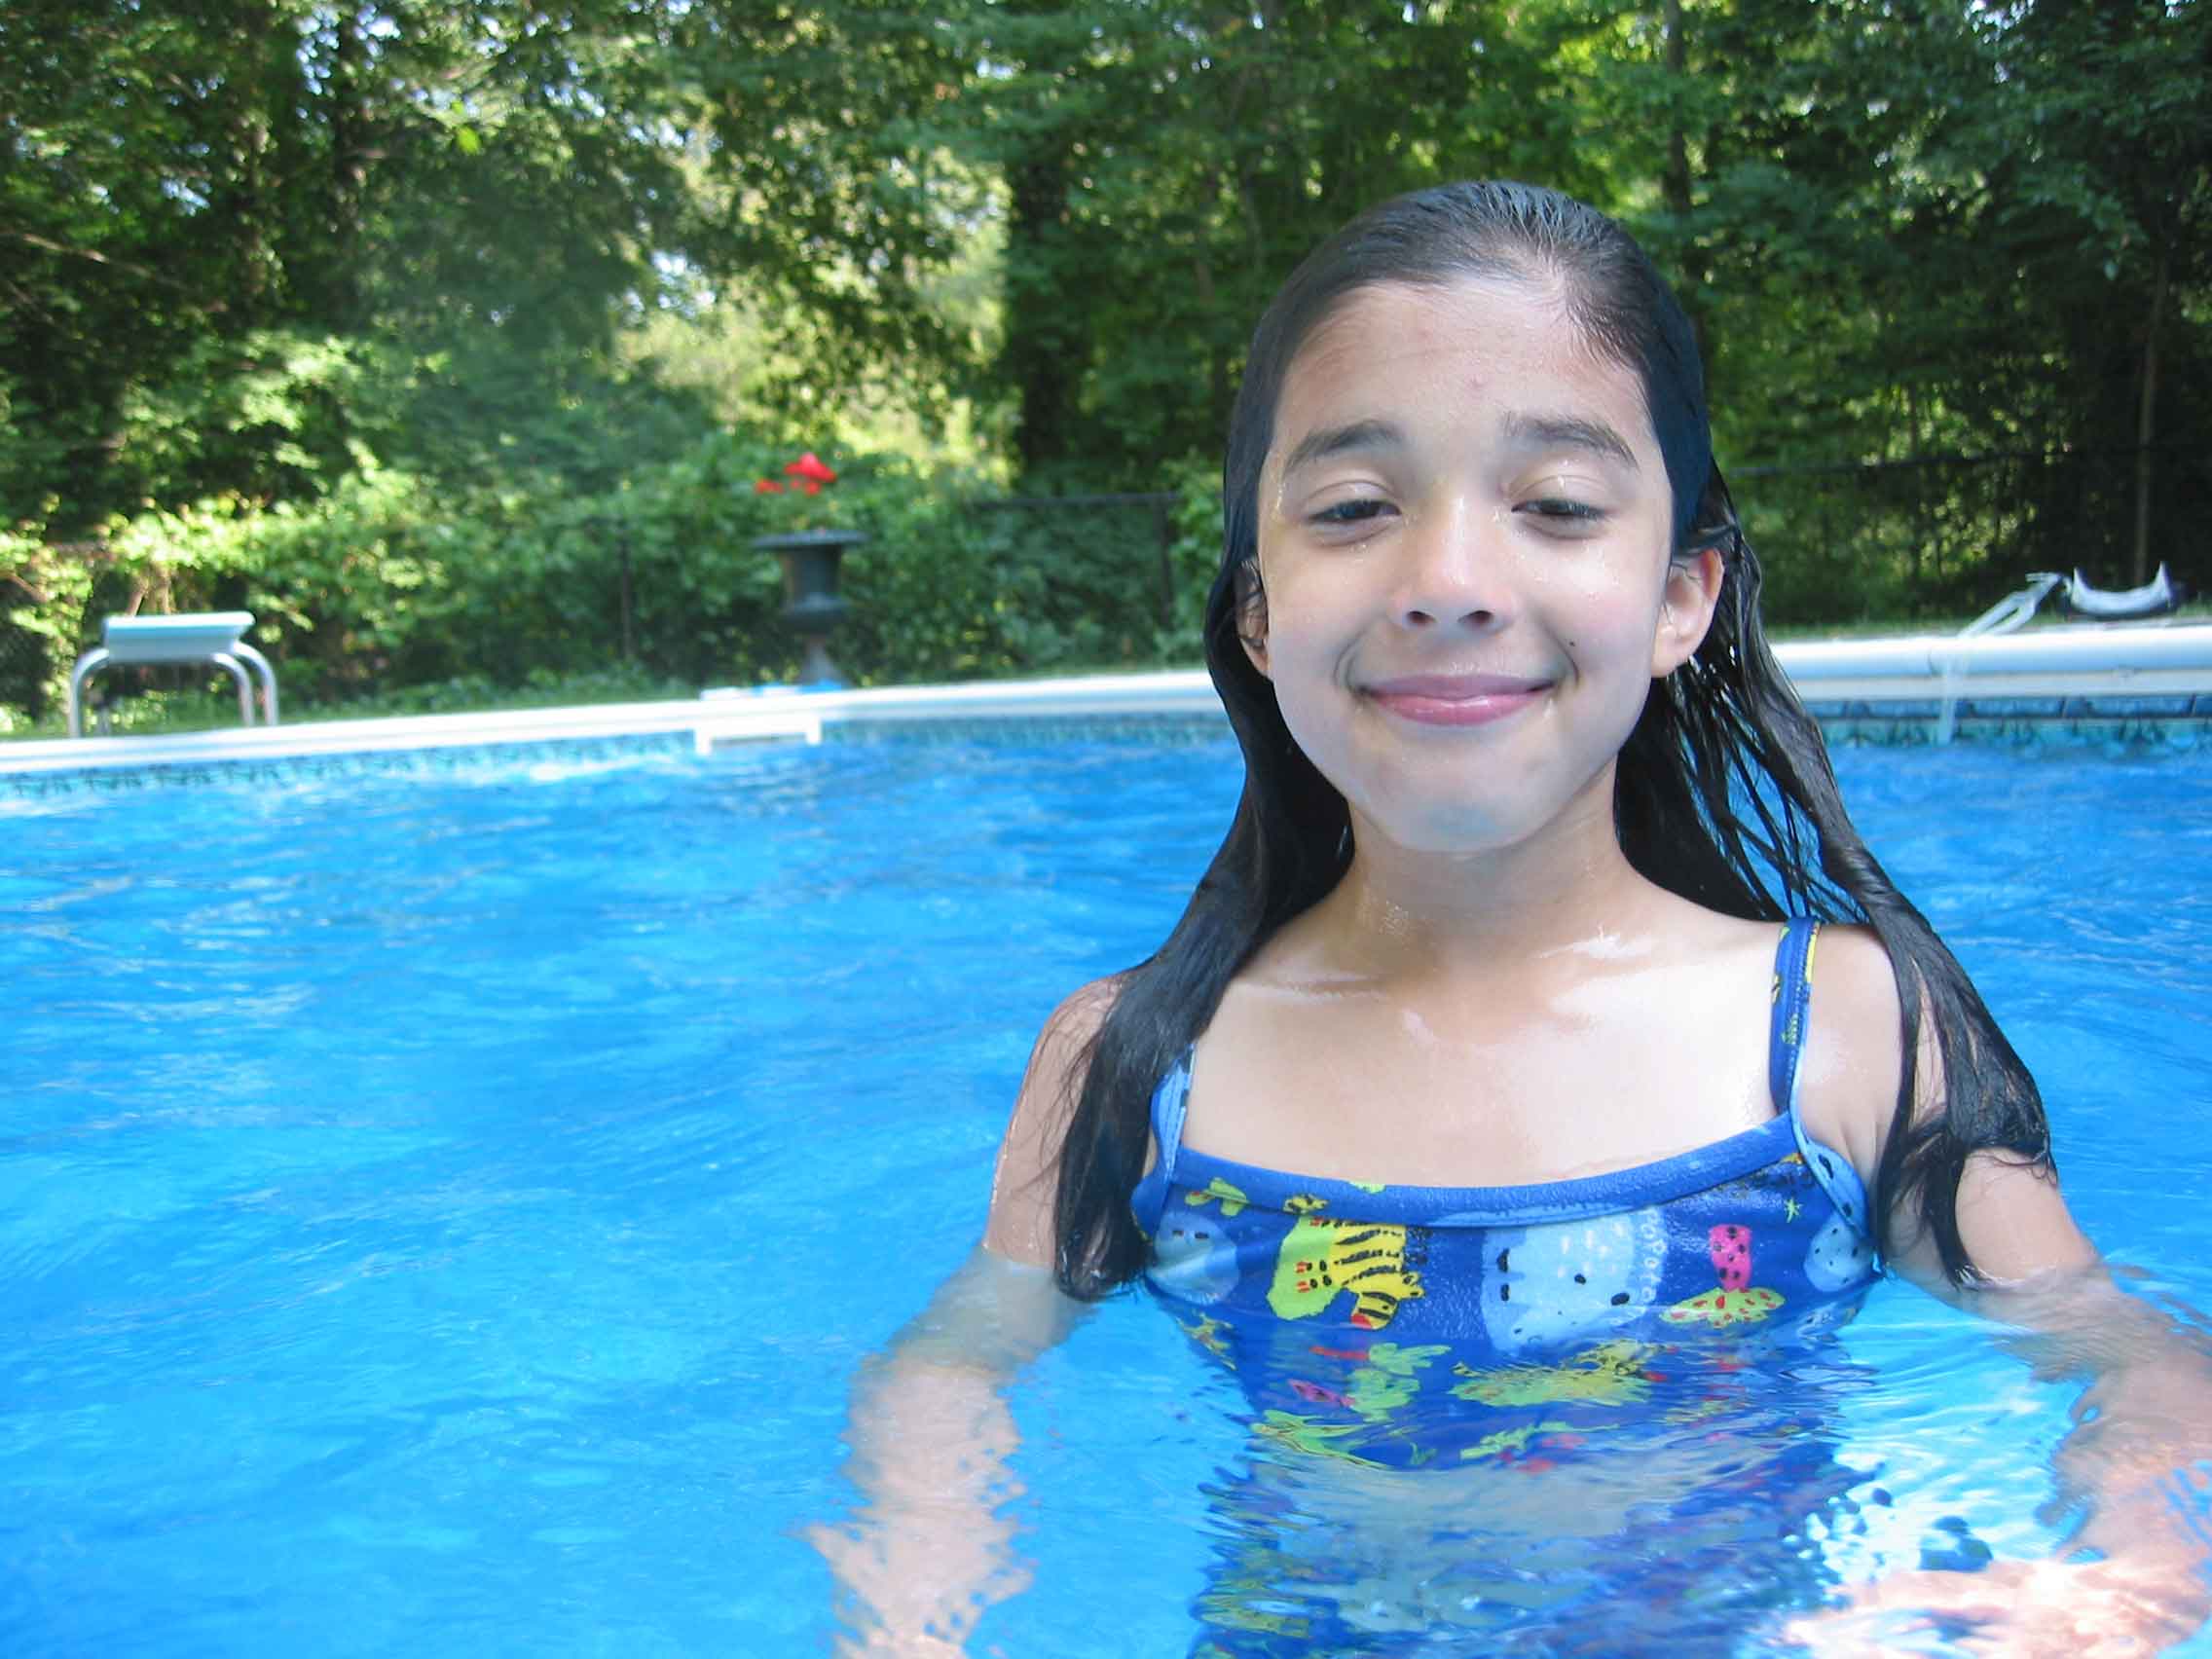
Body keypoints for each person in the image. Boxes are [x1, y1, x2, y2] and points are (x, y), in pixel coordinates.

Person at [811, 181, 2212, 1655]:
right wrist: (917, 1608)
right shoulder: (1137, 1061)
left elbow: (2123, 1353)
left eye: (1556, 507)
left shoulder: (1842, 1034)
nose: (1449, 584)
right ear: (1258, 611)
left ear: (1680, 597)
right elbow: (955, 1362)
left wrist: (2116, 1580)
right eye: (1354, 510)